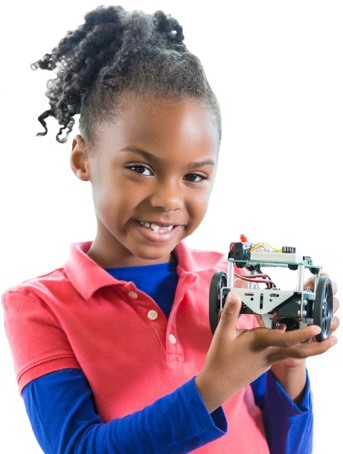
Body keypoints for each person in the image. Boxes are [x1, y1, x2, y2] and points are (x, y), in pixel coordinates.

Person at [1, 5, 339, 454]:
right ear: (82, 158)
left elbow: (287, 447)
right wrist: (216, 384)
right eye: (140, 168)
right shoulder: (38, 306)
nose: (168, 200)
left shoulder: (232, 282)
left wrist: (289, 369)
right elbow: (77, 447)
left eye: (194, 176)